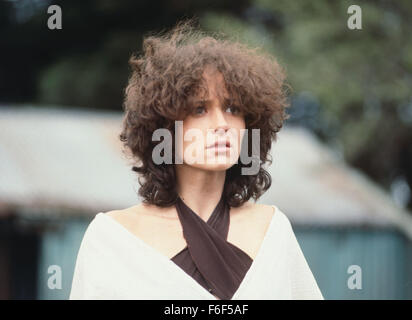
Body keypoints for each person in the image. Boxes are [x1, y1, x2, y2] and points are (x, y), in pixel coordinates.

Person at [69, 20, 324, 300]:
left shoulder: (273, 230)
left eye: (233, 108)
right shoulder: (113, 238)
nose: (221, 124)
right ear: (163, 127)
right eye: (199, 109)